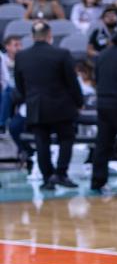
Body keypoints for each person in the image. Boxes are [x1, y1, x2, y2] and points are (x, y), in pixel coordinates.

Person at [12, 21, 82, 190]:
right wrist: (79, 102)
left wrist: (29, 98)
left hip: (36, 106)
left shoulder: (21, 56)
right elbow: (72, 82)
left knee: (41, 142)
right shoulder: (62, 54)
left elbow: (19, 85)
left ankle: (47, 178)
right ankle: (61, 174)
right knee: (66, 139)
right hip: (61, 106)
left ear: (32, 36)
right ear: (50, 35)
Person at [89, 23, 117, 193]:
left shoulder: (101, 54)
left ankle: (97, 181)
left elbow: (96, 78)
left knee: (102, 145)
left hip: (102, 104)